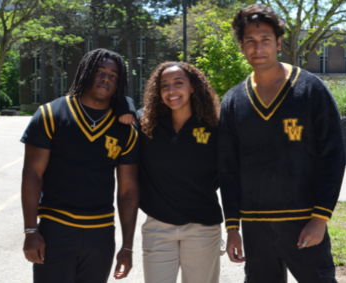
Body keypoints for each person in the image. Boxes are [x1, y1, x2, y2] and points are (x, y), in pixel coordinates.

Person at [219, 4, 346, 283]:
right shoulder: (233, 101)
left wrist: (320, 218)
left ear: (278, 43)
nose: (258, 47)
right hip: (256, 228)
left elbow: (333, 156)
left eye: (265, 39)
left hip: (304, 224)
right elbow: (228, 169)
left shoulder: (310, 89)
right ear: (241, 46)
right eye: (250, 41)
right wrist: (232, 228)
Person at [20, 48, 140, 283]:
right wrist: (31, 230)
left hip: (101, 234)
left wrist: (127, 246)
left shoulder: (125, 129)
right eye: (100, 71)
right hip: (56, 230)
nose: (106, 78)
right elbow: (33, 174)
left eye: (114, 76)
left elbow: (127, 190)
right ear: (86, 72)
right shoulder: (50, 114)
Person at [137, 62, 223, 283]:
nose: (171, 91)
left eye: (178, 83)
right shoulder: (146, 124)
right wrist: (123, 109)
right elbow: (119, 107)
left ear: (193, 86)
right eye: (164, 85)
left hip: (202, 227)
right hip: (158, 227)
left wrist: (234, 227)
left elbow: (231, 177)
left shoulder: (215, 126)